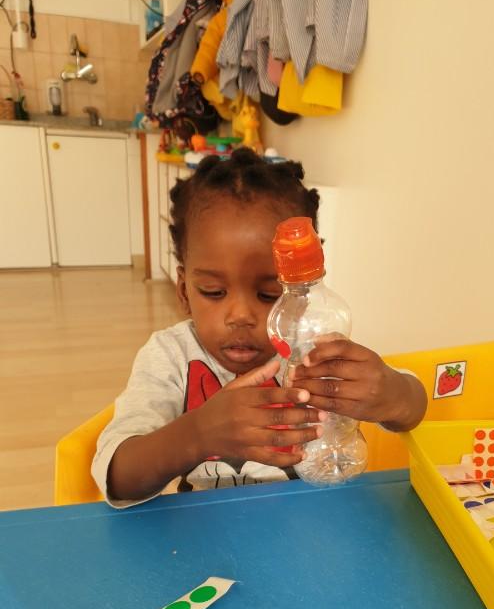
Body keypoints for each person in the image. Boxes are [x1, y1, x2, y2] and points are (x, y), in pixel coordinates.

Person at [92, 148, 427, 507]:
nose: (240, 315)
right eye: (213, 291)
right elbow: (118, 476)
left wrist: (391, 393)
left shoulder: (312, 347)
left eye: (269, 294)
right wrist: (198, 434)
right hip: (210, 529)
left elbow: (413, 408)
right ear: (184, 291)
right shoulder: (169, 357)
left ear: (304, 293)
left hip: (312, 520)